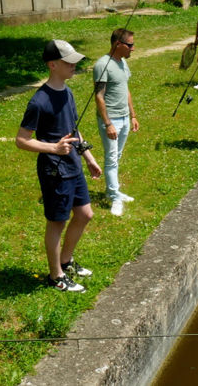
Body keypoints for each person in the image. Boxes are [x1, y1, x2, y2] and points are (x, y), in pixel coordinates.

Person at [16, 39, 102, 293]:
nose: (74, 65)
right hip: (54, 170)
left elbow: (73, 129)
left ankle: (66, 260)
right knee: (57, 223)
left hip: (73, 165)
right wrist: (54, 148)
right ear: (52, 65)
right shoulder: (39, 101)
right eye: (69, 61)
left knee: (85, 214)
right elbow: (22, 140)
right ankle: (56, 276)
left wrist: (88, 157)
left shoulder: (67, 92)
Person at [94, 28, 140, 217]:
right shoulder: (102, 65)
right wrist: (108, 123)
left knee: (117, 156)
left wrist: (133, 115)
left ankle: (112, 190)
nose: (133, 48)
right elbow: (98, 96)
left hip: (124, 118)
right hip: (111, 119)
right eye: (130, 45)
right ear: (117, 45)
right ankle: (114, 197)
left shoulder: (122, 63)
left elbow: (126, 89)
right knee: (112, 158)